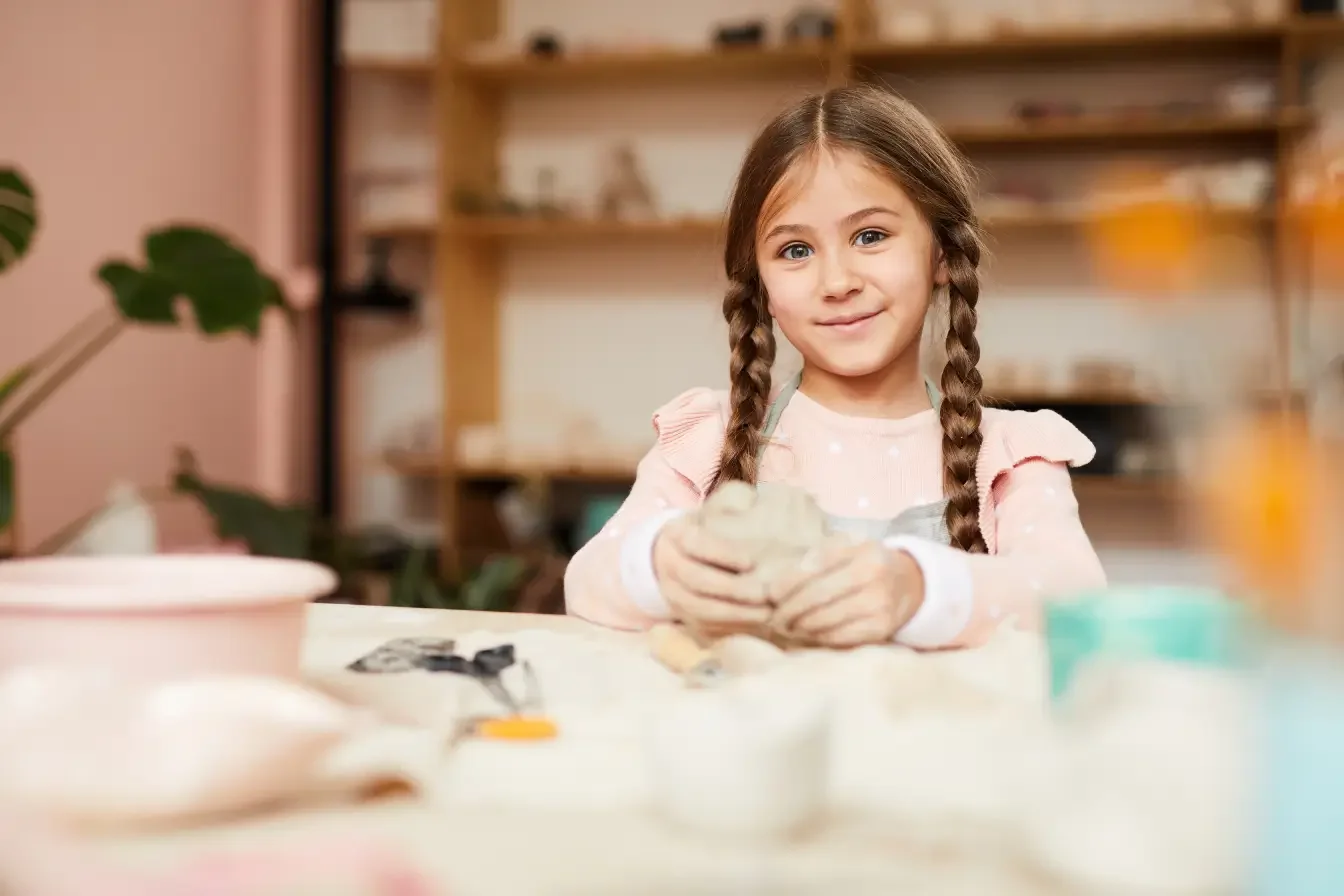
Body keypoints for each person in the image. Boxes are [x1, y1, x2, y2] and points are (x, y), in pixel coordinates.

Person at [563, 84, 1106, 650]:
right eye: (795, 250)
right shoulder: (708, 440)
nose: (837, 282)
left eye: (871, 236)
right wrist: (659, 568)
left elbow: (1075, 599)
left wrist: (917, 588)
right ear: (761, 283)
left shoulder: (1007, 455)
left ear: (942, 253)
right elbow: (587, 583)